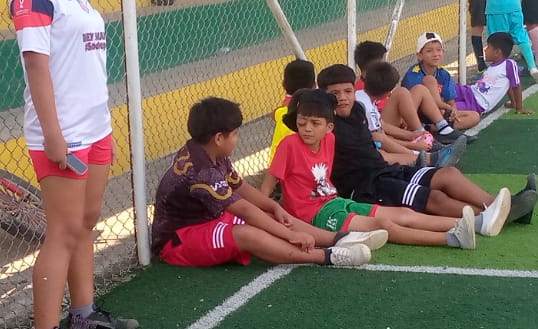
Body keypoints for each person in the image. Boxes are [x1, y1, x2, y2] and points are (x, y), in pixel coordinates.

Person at [13, 0, 137, 329]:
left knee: (85, 223)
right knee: (62, 232)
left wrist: (99, 124)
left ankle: (83, 313)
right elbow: (36, 67)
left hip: (94, 127)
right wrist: (53, 135)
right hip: (63, 134)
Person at [151, 97, 380, 269]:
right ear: (219, 138)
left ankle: (339, 239)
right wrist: (289, 235)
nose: (237, 139)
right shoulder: (202, 172)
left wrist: (273, 206)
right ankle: (326, 256)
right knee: (247, 234)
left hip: (209, 220)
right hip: (178, 240)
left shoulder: (209, 151)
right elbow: (244, 209)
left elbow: (240, 187)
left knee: (270, 215)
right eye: (235, 134)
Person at [260, 91, 478, 250]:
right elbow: (268, 185)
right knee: (382, 225)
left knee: (403, 213)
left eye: (315, 123)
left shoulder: (330, 140)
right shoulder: (289, 145)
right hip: (314, 215)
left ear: (329, 127)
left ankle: (470, 224)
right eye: (302, 123)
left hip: (334, 201)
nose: (307, 129)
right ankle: (451, 238)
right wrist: (265, 217)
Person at [319, 64, 513, 233]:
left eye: (348, 91)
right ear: (323, 96)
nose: (342, 98)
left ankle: (498, 205)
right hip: (366, 187)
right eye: (334, 94)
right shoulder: (325, 126)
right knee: (436, 198)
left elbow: (375, 142)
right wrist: (411, 151)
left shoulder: (358, 110)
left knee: (448, 174)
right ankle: (491, 217)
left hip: (385, 170)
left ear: (355, 90)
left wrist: (408, 145)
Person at [353, 38, 458, 149]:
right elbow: (378, 123)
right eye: (383, 61)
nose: (386, 64)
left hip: (395, 122)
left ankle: (442, 129)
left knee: (419, 89)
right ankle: (422, 135)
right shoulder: (362, 91)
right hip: (384, 128)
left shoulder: (378, 82)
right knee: (401, 92)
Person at [401, 32, 482, 131]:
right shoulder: (413, 74)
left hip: (438, 114)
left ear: (443, 52)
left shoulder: (444, 74)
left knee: (474, 116)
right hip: (417, 114)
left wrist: (453, 111)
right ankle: (439, 128)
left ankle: (433, 128)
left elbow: (451, 102)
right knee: (430, 81)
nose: (435, 54)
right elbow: (415, 104)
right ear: (420, 55)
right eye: (429, 51)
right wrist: (446, 107)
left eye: (438, 50)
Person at [472, 32, 533, 117]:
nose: (485, 50)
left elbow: (516, 86)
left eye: (488, 47)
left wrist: (519, 108)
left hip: (475, 100)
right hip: (471, 93)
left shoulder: (509, 64)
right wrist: (513, 103)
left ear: (497, 52)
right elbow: (507, 84)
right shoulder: (491, 68)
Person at [269, 57, 315, 166]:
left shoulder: (281, 112)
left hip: (275, 167)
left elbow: (274, 114)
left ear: (283, 84)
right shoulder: (317, 112)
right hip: (301, 166)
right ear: (314, 85)